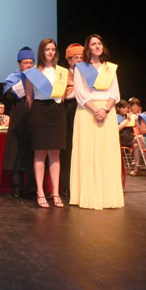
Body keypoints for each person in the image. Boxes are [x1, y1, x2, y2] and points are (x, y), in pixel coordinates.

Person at [70, 34, 124, 210]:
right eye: (93, 44)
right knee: (88, 153)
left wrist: (105, 110)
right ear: (88, 48)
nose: (97, 46)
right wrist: (96, 110)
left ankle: (108, 196)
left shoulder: (109, 68)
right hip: (87, 112)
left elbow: (115, 93)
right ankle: (88, 196)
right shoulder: (80, 67)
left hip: (107, 113)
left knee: (106, 153)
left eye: (100, 43)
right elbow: (80, 94)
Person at [23, 38, 68, 208]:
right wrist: (36, 111)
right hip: (40, 111)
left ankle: (55, 192)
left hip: (57, 112)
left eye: (53, 49)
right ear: (41, 51)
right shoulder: (32, 71)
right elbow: (28, 96)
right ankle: (40, 192)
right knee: (40, 153)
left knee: (55, 153)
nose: (50, 52)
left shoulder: (62, 71)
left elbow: (63, 94)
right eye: (47, 49)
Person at [2, 47, 36, 198]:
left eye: (30, 63)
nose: (28, 65)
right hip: (18, 116)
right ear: (19, 64)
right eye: (25, 63)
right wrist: (26, 81)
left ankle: (33, 187)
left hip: (35, 116)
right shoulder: (13, 77)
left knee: (34, 151)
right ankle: (17, 186)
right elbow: (9, 96)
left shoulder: (39, 77)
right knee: (17, 151)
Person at [59, 43, 84, 196]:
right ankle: (67, 185)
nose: (79, 61)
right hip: (69, 110)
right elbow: (61, 96)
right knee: (68, 148)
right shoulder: (63, 74)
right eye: (76, 58)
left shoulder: (90, 74)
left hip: (85, 112)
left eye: (82, 57)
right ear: (69, 60)